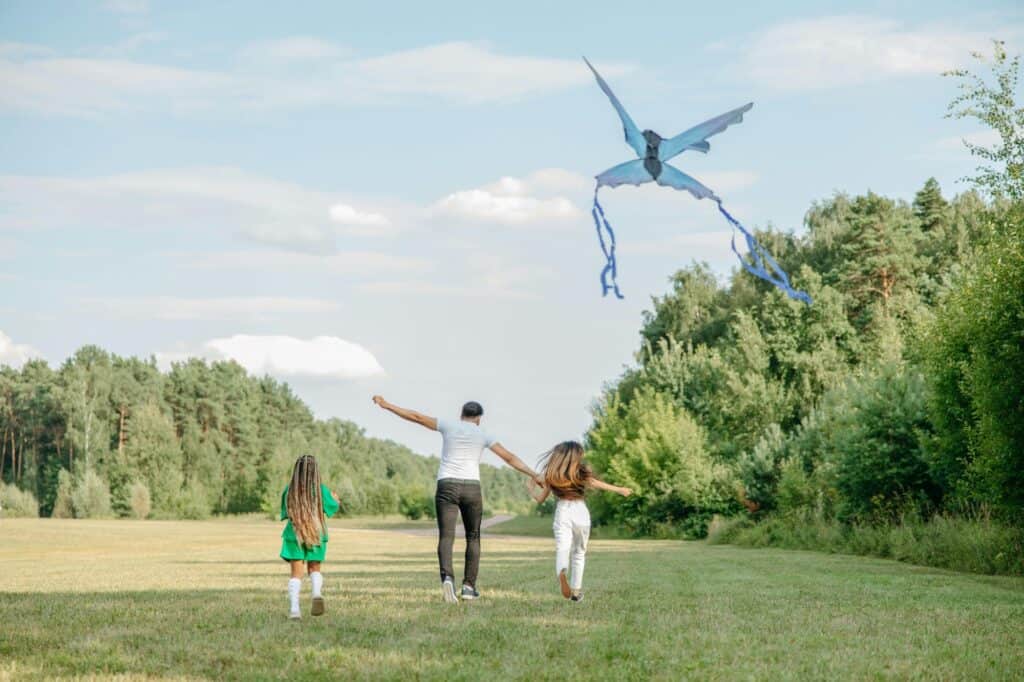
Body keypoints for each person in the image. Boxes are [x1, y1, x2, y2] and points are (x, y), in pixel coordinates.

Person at [372, 395, 542, 603]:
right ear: (479, 418)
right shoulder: (483, 433)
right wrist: (534, 475)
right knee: (473, 536)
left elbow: (415, 417)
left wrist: (386, 405)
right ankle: (469, 587)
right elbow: (509, 457)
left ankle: (448, 579)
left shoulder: (448, 425)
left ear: (461, 415)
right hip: (471, 487)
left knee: (446, 536)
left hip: (447, 485)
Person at [529, 440, 631, 602]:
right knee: (579, 553)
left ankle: (562, 571)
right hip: (581, 512)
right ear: (576, 456)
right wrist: (619, 489)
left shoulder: (551, 474)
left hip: (563, 511)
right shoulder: (581, 471)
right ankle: (576, 592)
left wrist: (531, 490)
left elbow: (540, 499)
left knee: (563, 547)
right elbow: (595, 483)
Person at [280, 454, 340, 620]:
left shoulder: (289, 489)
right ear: (315, 472)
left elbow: (286, 512)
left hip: (294, 534)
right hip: (316, 533)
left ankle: (294, 609)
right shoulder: (321, 490)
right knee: (314, 568)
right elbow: (332, 507)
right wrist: (336, 500)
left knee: (296, 574)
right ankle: (316, 593)